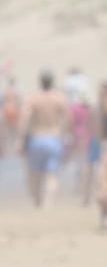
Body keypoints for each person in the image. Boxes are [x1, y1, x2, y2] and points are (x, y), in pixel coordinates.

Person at [22, 70, 71, 208]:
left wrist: (21, 139)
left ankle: (37, 204)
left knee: (35, 175)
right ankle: (48, 205)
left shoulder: (33, 98)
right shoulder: (59, 98)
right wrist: (66, 135)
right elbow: (68, 118)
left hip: (36, 138)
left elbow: (24, 119)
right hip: (54, 138)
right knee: (52, 176)